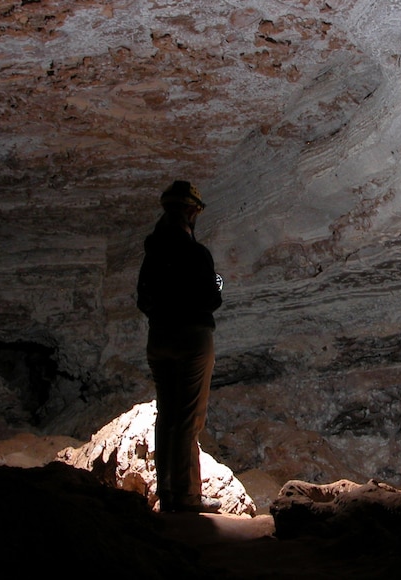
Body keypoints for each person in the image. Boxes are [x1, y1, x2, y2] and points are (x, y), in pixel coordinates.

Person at [137, 180, 223, 513]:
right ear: (191, 211)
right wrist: (216, 286)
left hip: (159, 338)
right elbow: (210, 299)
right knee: (188, 417)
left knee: (167, 414)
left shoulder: (153, 253)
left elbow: (143, 299)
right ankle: (186, 496)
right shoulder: (195, 253)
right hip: (192, 339)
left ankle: (167, 492)